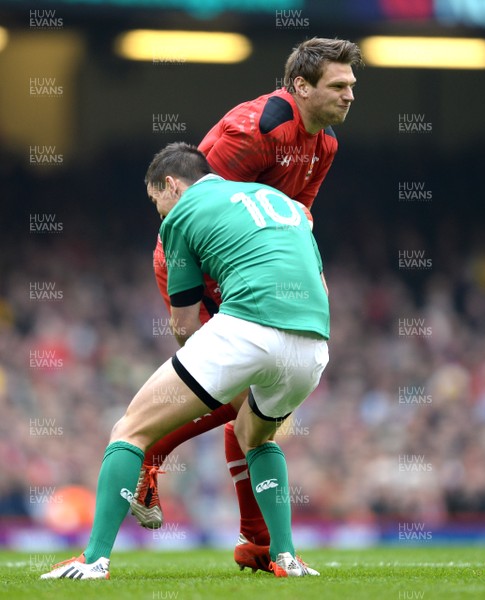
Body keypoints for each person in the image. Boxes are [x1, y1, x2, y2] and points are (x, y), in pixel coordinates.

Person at [41, 142, 329, 580]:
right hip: (314, 344)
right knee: (254, 436)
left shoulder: (181, 214)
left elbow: (185, 323)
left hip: (248, 327)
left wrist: (198, 386)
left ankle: (94, 560)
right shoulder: (280, 202)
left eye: (157, 203)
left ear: (172, 185)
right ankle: (286, 557)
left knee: (131, 429)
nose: (161, 216)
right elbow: (320, 287)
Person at [131, 37, 362, 572]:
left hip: (251, 277)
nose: (351, 95)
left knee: (251, 409)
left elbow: (296, 219)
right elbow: (193, 209)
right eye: (340, 85)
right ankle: (149, 448)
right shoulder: (253, 130)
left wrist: (313, 274)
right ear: (301, 86)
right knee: (241, 396)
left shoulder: (323, 146)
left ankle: (256, 542)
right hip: (197, 269)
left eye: (353, 85)